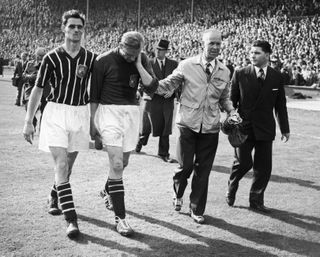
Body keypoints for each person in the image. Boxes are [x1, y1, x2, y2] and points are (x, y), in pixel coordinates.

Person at [22, 10, 96, 238]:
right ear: (63, 28)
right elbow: (38, 88)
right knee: (62, 165)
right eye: (71, 26)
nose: (75, 30)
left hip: (79, 114)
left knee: (67, 167)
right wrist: (29, 121)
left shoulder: (91, 58)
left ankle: (54, 195)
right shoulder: (51, 57)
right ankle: (71, 220)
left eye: (79, 27)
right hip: (55, 113)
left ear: (83, 30)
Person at [155, 28, 239, 224]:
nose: (216, 47)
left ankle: (196, 208)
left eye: (218, 43)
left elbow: (224, 97)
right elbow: (168, 84)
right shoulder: (186, 65)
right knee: (185, 167)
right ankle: (178, 192)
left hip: (210, 127)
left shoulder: (225, 71)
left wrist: (231, 111)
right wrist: (152, 84)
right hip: (187, 124)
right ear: (203, 44)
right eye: (212, 43)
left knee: (203, 171)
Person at [90, 31, 158, 236]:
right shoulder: (103, 60)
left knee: (123, 164)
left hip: (130, 113)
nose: (129, 57)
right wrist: (93, 124)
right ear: (119, 44)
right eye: (127, 53)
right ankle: (121, 219)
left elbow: (152, 86)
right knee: (117, 164)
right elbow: (93, 95)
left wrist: (138, 65)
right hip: (108, 111)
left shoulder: (142, 59)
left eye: (134, 54)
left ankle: (106, 190)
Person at [226, 40, 290, 213]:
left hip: (265, 129)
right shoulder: (240, 73)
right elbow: (232, 101)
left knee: (263, 168)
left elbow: (280, 105)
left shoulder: (277, 76)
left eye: (257, 53)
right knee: (244, 163)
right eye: (251, 52)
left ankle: (256, 201)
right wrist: (232, 122)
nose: (252, 55)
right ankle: (232, 184)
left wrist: (285, 128)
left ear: (267, 55)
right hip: (243, 128)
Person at [135, 39, 178, 163]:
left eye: (161, 50)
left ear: (166, 51)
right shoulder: (148, 63)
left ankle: (163, 153)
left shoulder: (174, 64)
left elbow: (179, 81)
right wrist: (140, 91)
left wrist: (172, 91)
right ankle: (141, 141)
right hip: (152, 98)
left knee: (165, 126)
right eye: (157, 49)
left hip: (166, 99)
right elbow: (141, 80)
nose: (158, 52)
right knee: (147, 126)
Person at [22, 47, 46, 130]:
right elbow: (23, 76)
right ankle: (33, 122)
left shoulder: (48, 64)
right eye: (39, 55)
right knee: (28, 108)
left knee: (45, 112)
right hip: (31, 90)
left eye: (43, 55)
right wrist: (31, 77)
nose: (41, 57)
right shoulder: (30, 64)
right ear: (36, 55)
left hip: (45, 92)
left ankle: (42, 130)